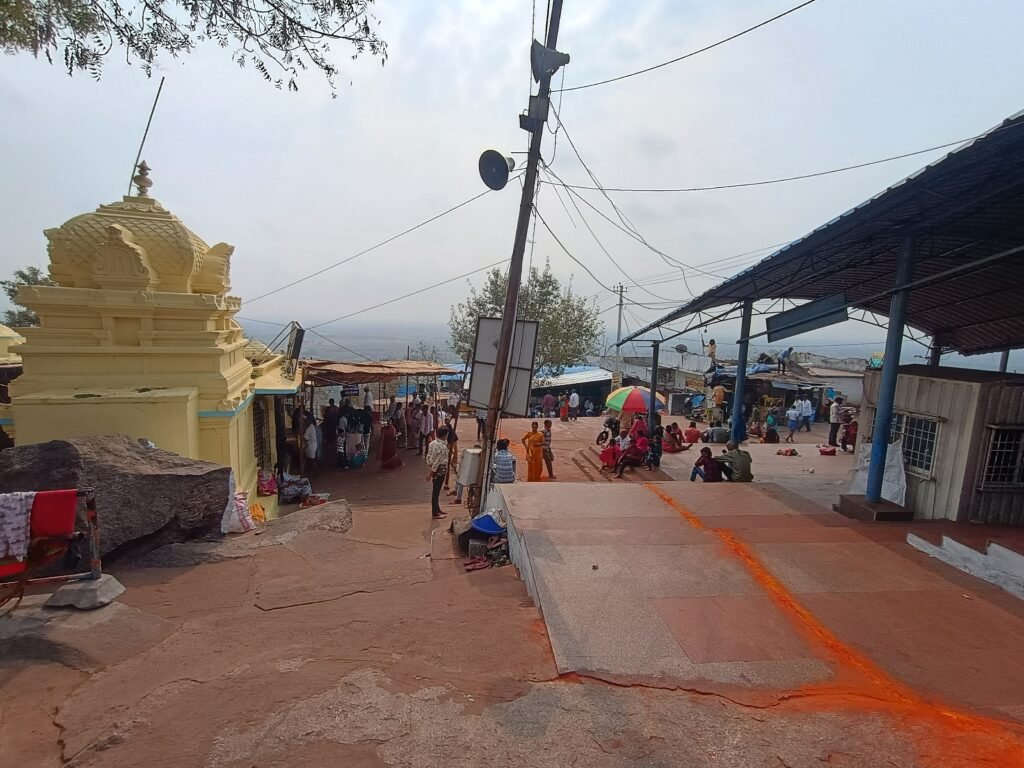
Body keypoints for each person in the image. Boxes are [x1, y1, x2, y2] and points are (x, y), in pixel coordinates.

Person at [425, 426, 450, 520]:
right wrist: (431, 473)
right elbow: (437, 462)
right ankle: (435, 513)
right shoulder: (442, 447)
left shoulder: (432, 443)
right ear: (445, 435)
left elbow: (429, 457)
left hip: (434, 468)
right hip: (439, 470)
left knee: (436, 491)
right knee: (436, 492)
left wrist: (430, 469)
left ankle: (437, 509)